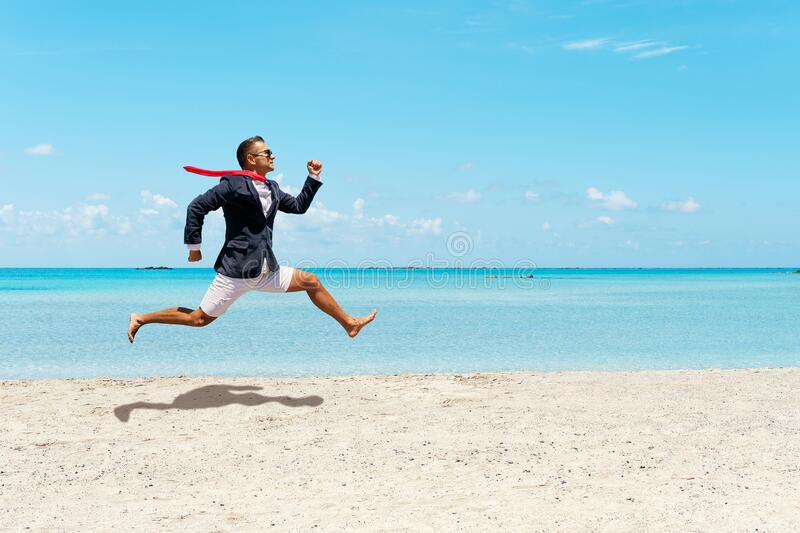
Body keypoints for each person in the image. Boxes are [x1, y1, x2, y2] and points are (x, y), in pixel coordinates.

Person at [127, 135, 377, 343]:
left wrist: (313, 178)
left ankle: (349, 324)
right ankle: (141, 318)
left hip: (266, 269)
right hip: (236, 272)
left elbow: (299, 206)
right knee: (199, 319)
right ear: (251, 159)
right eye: (267, 153)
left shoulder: (272, 188)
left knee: (311, 281)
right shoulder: (232, 184)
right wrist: (194, 247)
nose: (273, 156)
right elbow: (196, 207)